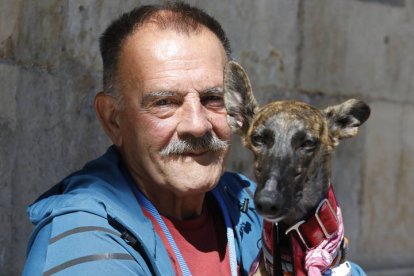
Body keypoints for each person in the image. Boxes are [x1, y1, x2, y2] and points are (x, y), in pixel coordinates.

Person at [23, 2, 365, 275]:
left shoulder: (247, 201)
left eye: (213, 99)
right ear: (114, 119)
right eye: (165, 102)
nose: (198, 125)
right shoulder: (84, 242)